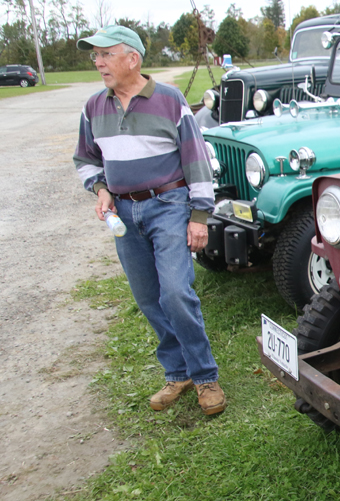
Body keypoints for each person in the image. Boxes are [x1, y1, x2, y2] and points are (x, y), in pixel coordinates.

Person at [73, 25, 226, 415]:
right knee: (147, 298)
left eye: (105, 54)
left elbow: (197, 161)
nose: (98, 62)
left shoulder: (170, 100)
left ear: (132, 59)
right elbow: (86, 159)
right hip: (124, 213)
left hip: (168, 205)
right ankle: (178, 372)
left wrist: (199, 216)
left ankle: (206, 376)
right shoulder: (94, 107)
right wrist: (101, 188)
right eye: (96, 55)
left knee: (175, 292)